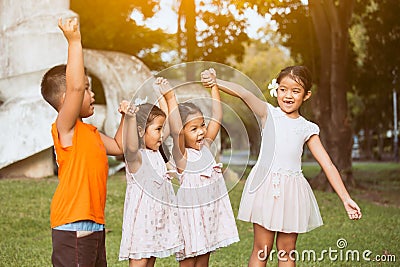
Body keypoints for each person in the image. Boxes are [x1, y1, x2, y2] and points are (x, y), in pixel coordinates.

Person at [201, 66, 362, 267]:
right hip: (266, 187)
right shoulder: (268, 113)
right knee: (262, 249)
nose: (288, 95)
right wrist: (217, 82)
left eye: (296, 91)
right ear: (276, 90)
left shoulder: (307, 128)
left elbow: (328, 164)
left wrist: (346, 198)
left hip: (292, 193)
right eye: (283, 89)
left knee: (287, 251)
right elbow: (244, 93)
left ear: (306, 95)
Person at [40, 18, 125, 266]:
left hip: (94, 223)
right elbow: (75, 87)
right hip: (73, 223)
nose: (91, 93)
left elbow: (119, 148)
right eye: (88, 89)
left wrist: (126, 119)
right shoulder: (65, 128)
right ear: (69, 99)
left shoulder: (91, 133)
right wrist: (74, 41)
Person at [157, 75, 239, 267]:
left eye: (202, 125)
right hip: (190, 219)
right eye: (194, 129)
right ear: (183, 133)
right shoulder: (181, 156)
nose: (201, 131)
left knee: (203, 261)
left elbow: (217, 117)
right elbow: (176, 130)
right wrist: (171, 98)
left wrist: (214, 86)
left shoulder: (205, 148)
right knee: (189, 261)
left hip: (208, 216)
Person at [117, 97, 183, 267]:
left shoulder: (157, 154)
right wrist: (130, 118)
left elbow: (167, 124)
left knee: (150, 261)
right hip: (141, 223)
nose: (162, 135)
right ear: (140, 131)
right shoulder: (136, 157)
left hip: (156, 221)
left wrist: (164, 97)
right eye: (158, 130)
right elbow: (130, 146)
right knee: (140, 261)